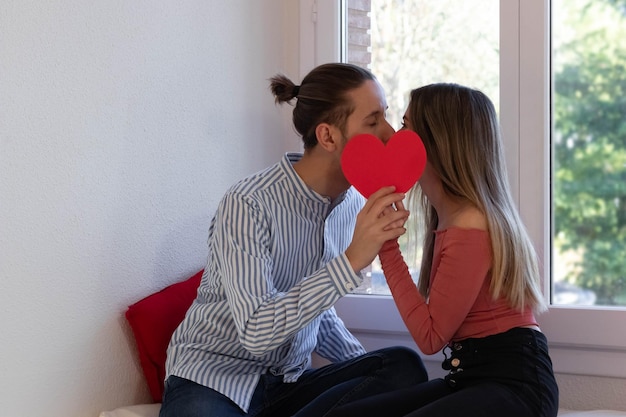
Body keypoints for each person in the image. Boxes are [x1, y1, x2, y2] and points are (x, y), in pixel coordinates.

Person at [159, 63, 428, 417]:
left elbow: (317, 311)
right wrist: (348, 263)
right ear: (329, 137)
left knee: (401, 366)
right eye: (373, 121)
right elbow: (256, 332)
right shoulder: (248, 203)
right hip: (214, 379)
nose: (391, 133)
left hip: (290, 384)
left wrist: (365, 373)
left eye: (387, 117)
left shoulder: (350, 205)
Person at [327, 83, 559, 417]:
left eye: (406, 126)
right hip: (473, 376)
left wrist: (387, 246)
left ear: (438, 141)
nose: (392, 135)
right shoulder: (451, 216)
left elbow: (431, 337)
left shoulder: (471, 225)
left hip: (516, 385)